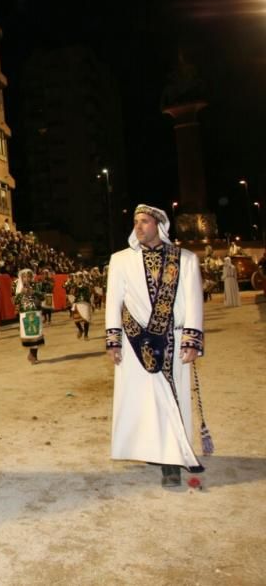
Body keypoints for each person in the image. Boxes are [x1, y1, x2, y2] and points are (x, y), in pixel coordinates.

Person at [105, 205, 207, 488]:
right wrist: (113, 340)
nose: (139, 227)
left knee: (170, 400)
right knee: (143, 402)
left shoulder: (184, 259)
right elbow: (114, 301)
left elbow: (194, 300)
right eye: (136, 222)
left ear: (159, 226)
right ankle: (152, 447)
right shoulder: (120, 260)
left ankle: (171, 461)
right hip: (134, 341)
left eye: (145, 222)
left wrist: (192, 339)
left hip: (172, 340)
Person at [13, 268, 45, 364]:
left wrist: (33, 292)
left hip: (35, 312)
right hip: (25, 314)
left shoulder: (37, 285)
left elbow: (43, 297)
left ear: (32, 277)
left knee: (36, 334)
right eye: (24, 277)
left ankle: (33, 356)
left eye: (28, 276)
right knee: (29, 334)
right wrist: (21, 293)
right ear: (21, 278)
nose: (26, 278)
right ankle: (32, 355)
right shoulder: (19, 288)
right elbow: (16, 302)